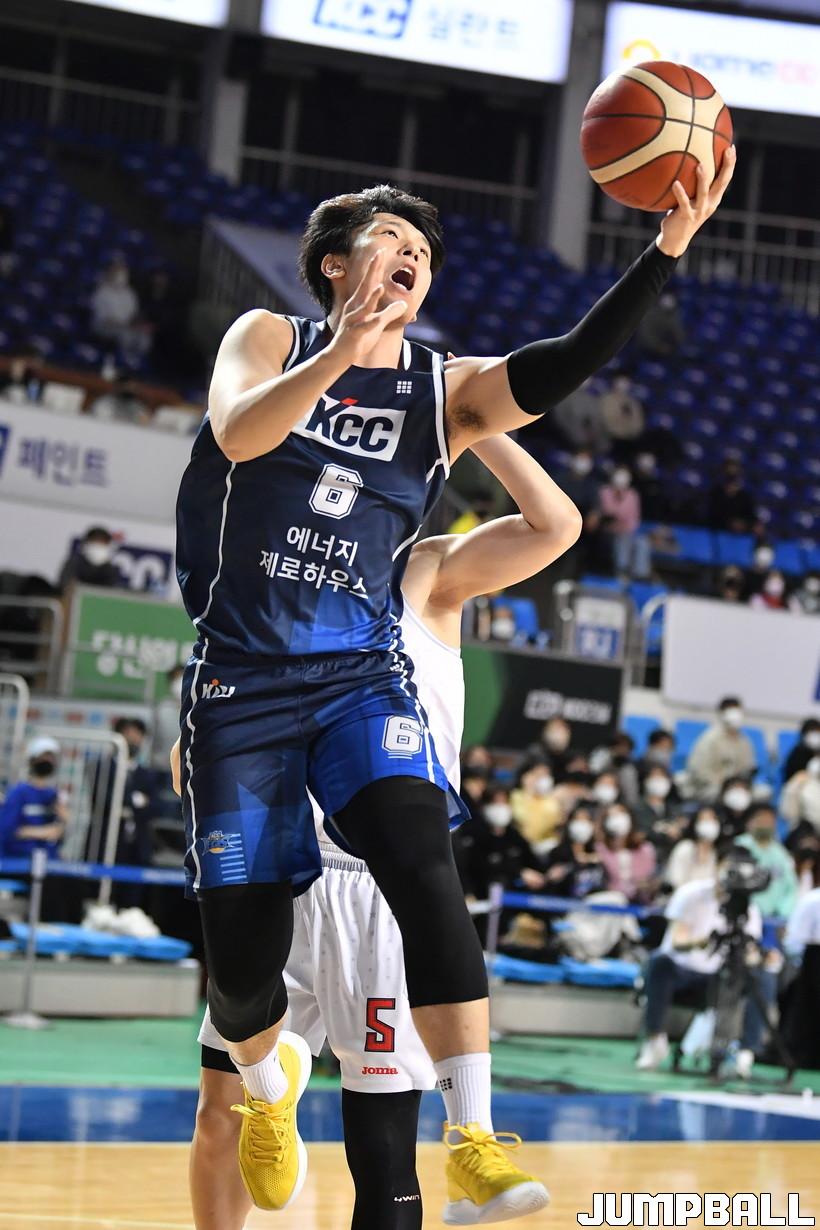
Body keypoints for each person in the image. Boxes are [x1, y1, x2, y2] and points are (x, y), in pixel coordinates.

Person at [173, 168, 734, 1212]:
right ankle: (267, 1089)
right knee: (240, 968)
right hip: (244, 681)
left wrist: (663, 254)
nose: (410, 259)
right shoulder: (268, 337)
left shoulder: (442, 392)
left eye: (422, 254)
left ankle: (472, 1133)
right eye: (390, 240)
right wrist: (340, 350)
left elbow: (561, 365)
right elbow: (240, 434)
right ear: (334, 264)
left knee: (425, 861)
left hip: (357, 677)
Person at [179, 432, 582, 1228]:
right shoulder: (267, 597)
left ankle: (463, 1136)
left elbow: (556, 525)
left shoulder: (427, 572)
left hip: (383, 887)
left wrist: (473, 418)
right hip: (282, 872)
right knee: (219, 1116)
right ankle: (272, 1093)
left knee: (383, 1147)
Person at [636, 846, 770, 1074]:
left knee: (762, 978)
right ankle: (655, 1040)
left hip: (720, 976)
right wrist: (701, 942)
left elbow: (750, 950)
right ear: (718, 866)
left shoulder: (748, 907)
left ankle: (745, 1052)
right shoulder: (691, 894)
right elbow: (677, 940)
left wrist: (761, 959)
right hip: (683, 971)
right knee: (659, 962)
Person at [0, 736, 67, 858]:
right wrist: (42, 832)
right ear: (32, 760)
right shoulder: (19, 793)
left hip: (47, 859)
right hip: (18, 859)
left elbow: (58, 835)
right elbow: (7, 830)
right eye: (44, 756)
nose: (48, 761)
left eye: (51, 757)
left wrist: (64, 821)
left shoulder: (54, 795)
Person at [735, 803, 798, 923]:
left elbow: (791, 887)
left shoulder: (781, 853)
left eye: (769, 821)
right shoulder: (739, 846)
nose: (765, 824)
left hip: (775, 917)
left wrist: (783, 913)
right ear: (750, 822)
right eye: (761, 820)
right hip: (744, 916)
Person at [686, 697, 757, 802]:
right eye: (731, 711)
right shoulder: (710, 739)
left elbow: (748, 768)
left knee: (761, 792)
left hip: (738, 786)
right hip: (713, 785)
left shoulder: (744, 741)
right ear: (722, 714)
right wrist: (720, 782)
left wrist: (740, 783)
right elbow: (698, 770)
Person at [540, 805, 607, 899]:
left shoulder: (597, 853)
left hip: (593, 902)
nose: (582, 824)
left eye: (586, 820)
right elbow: (549, 881)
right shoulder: (557, 853)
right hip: (566, 902)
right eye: (578, 819)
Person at [595, 804, 657, 904]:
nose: (617, 819)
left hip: (638, 901)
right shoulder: (600, 848)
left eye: (620, 814)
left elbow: (649, 878)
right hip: (610, 900)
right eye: (612, 816)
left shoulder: (645, 849)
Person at [598, 466, 651, 579]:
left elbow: (634, 518)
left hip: (627, 531)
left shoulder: (633, 495)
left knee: (642, 542)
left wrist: (626, 526)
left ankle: (640, 575)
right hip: (608, 530)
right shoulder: (604, 492)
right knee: (622, 540)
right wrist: (617, 520)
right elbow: (606, 512)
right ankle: (621, 571)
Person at [663, 806, 722, 890]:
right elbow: (675, 881)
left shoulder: (713, 853)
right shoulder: (685, 847)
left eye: (712, 819)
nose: (709, 823)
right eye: (704, 820)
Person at [510, 761, 561, 852]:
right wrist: (528, 793)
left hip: (545, 845)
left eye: (546, 775)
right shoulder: (517, 796)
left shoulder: (551, 800)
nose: (543, 779)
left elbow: (554, 822)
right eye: (538, 775)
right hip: (522, 844)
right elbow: (521, 818)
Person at [57, 526, 123, 595]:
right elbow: (64, 586)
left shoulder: (111, 570)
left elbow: (112, 593)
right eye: (95, 542)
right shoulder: (74, 563)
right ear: (86, 543)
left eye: (102, 543)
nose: (98, 546)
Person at [600, 374, 645, 459]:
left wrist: (628, 430)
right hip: (609, 438)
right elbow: (605, 421)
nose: (623, 385)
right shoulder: (606, 399)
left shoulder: (633, 403)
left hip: (627, 441)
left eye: (626, 382)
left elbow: (638, 426)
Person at [706, 460, 756, 534]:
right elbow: (710, 514)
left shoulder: (745, 496)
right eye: (729, 469)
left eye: (734, 468)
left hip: (738, 536)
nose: (731, 471)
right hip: (716, 532)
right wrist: (729, 523)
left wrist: (744, 524)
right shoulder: (716, 492)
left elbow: (750, 517)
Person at [636, 290, 685, 358]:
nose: (669, 313)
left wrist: (680, 343)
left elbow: (678, 333)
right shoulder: (650, 316)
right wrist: (658, 346)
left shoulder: (673, 316)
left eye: (671, 311)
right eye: (667, 311)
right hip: (646, 349)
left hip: (667, 348)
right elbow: (646, 335)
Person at [717, 776, 754, 843]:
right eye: (735, 788)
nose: (739, 794)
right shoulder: (716, 815)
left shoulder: (754, 815)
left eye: (742, 789)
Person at [783, 718, 820, 783]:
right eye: (812, 731)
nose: (816, 735)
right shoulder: (797, 753)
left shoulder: (817, 752)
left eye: (818, 731)